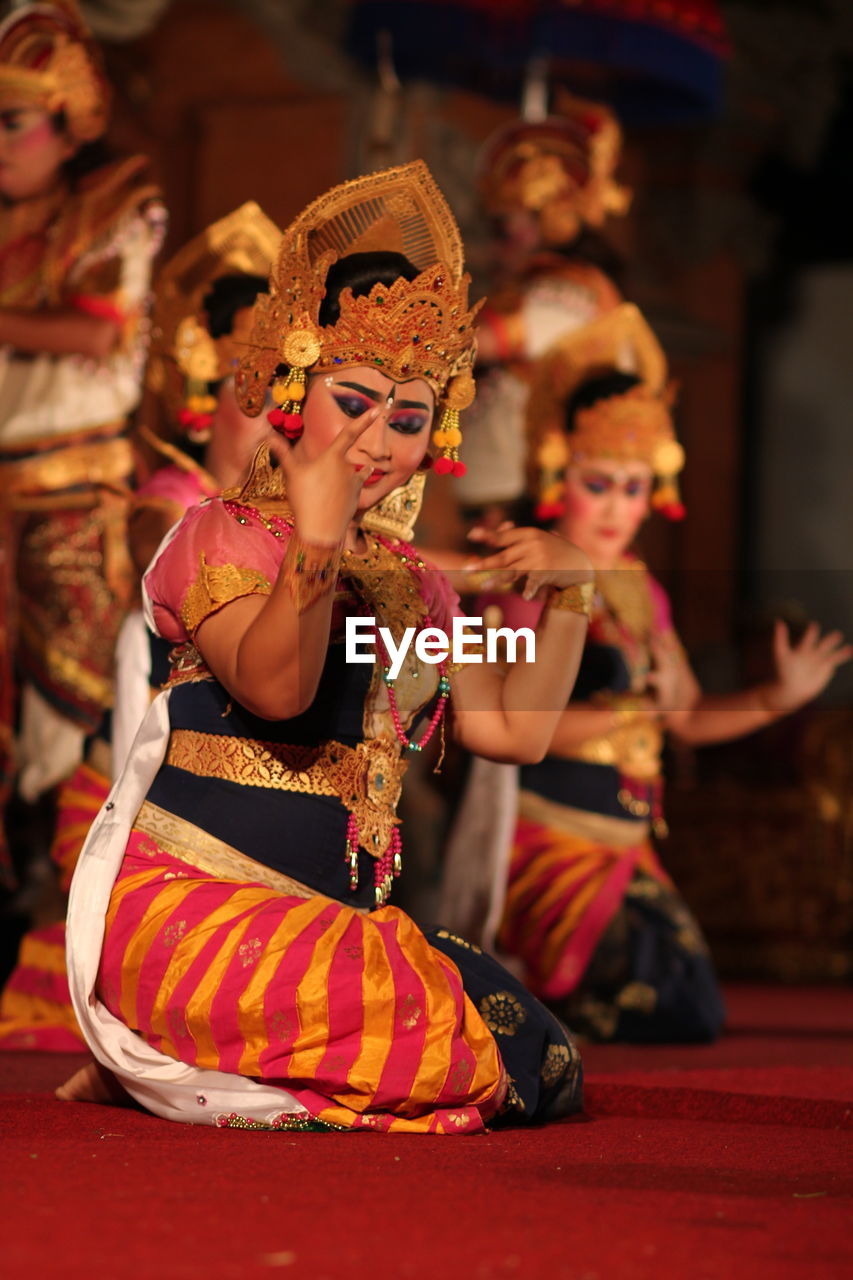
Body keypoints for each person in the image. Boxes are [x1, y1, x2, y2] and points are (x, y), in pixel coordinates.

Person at [60, 160, 593, 1133]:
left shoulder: (414, 583)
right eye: (353, 401)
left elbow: (511, 734)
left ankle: (186, 1066)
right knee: (441, 1041)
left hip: (332, 935)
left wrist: (572, 593)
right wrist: (312, 546)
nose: (376, 442)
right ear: (293, 392)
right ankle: (175, 1045)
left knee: (542, 1058)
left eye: (407, 416)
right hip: (195, 911)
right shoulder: (216, 534)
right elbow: (273, 688)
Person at [443, 305, 850, 1044]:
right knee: (648, 994)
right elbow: (500, 724)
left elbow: (686, 717)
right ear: (555, 471)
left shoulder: (638, 586)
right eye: (599, 484)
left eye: (634, 489)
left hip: (628, 848)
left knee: (686, 1002)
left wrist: (774, 698)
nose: (617, 509)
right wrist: (632, 715)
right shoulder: (527, 572)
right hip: (547, 843)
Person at [0, 202, 279, 1051]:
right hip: (162, 773)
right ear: (204, 395)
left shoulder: (295, 515)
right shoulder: (166, 503)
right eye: (257, 392)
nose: (282, 420)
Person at [0, 0, 166, 881]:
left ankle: (58, 885)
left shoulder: (112, 205)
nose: (0, 141)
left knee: (67, 699)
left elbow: (96, 330)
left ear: (67, 125)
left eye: (13, 120)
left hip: (72, 490)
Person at [452, 93, 630, 525]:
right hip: (503, 501)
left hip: (531, 505)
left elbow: (478, 343)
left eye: (504, 229)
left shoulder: (571, 293)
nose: (494, 248)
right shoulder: (537, 288)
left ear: (548, 220)